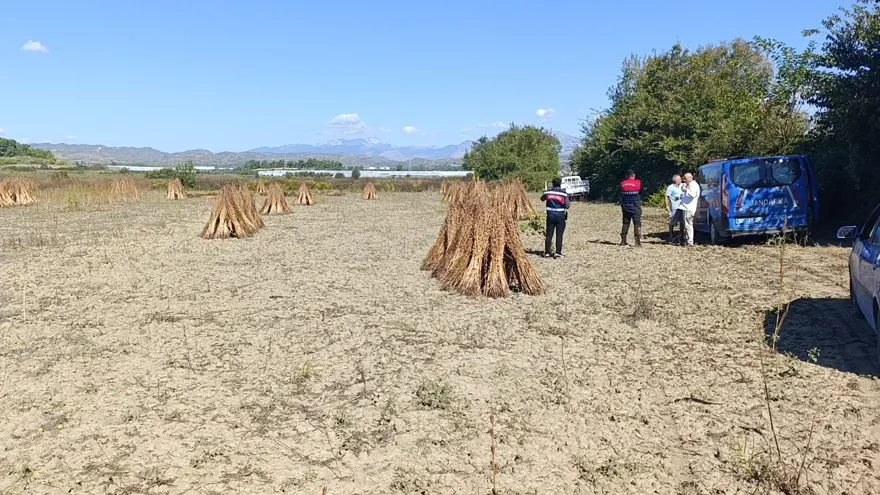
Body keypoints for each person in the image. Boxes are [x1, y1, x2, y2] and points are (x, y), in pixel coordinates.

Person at [540, 177, 570, 258]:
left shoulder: (548, 192)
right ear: (560, 184)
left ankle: (547, 252)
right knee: (559, 235)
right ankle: (558, 253)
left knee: (549, 235)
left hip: (550, 215)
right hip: (560, 216)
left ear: (552, 184)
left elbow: (542, 199)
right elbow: (567, 206)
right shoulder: (564, 194)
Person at [677, 172, 701, 247]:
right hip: (685, 208)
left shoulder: (694, 185)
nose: (684, 180)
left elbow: (693, 195)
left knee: (688, 225)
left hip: (689, 208)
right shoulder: (689, 185)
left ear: (690, 178)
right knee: (686, 225)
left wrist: (686, 190)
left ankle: (690, 242)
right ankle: (687, 240)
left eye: (685, 178)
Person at [620, 170, 642, 247]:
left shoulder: (622, 184)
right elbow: (640, 190)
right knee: (637, 223)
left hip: (625, 206)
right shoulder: (637, 182)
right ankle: (637, 242)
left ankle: (623, 241)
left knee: (625, 223)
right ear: (634, 175)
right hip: (635, 206)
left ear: (627, 176)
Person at [665, 175, 685, 244]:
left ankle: (681, 234)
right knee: (673, 220)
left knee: (682, 221)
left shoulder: (683, 185)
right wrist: (667, 206)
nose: (681, 180)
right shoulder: (670, 188)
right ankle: (671, 234)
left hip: (682, 206)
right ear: (675, 180)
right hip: (675, 207)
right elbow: (666, 196)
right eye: (679, 179)